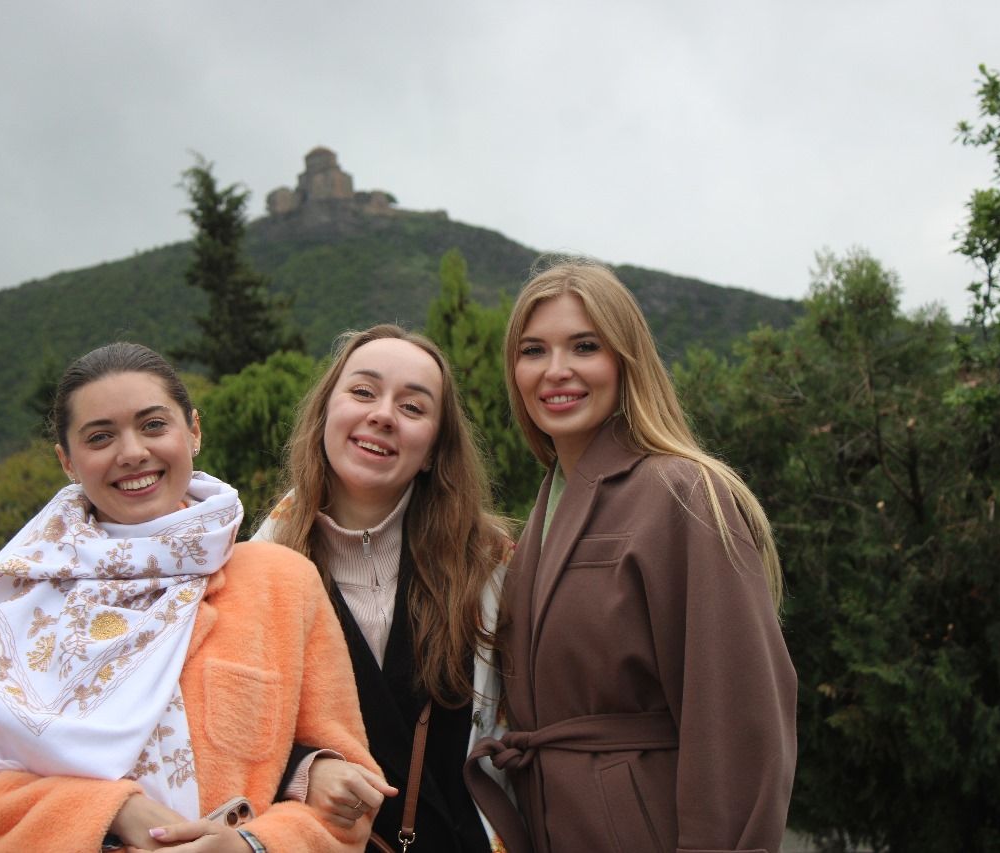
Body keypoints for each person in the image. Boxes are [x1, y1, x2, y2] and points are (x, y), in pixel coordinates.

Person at [0, 342, 377, 853]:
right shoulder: (8, 604)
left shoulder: (280, 583)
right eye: (100, 437)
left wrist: (249, 846)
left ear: (193, 431)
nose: (131, 452)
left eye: (153, 425)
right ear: (67, 461)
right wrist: (116, 812)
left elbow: (350, 800)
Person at [466, 261, 797, 853]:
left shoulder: (684, 492)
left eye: (584, 346)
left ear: (626, 360)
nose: (556, 370)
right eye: (534, 350)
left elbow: (738, 719)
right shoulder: (545, 509)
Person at [253, 324, 514, 853]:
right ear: (325, 413)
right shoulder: (257, 571)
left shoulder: (492, 567)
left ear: (434, 449)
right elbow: (232, 727)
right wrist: (304, 770)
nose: (383, 415)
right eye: (363, 392)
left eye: (413, 407)